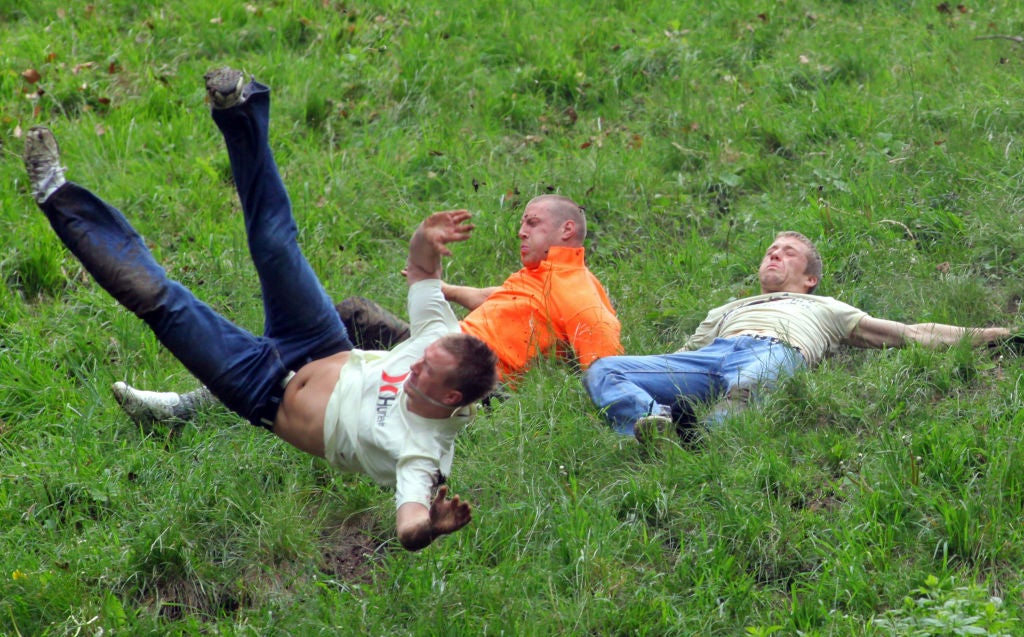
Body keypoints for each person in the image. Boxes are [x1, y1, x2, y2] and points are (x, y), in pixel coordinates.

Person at [22, 67, 499, 551]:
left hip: (262, 389)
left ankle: (56, 196)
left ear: (452, 398)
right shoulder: (443, 341)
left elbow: (408, 525)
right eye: (424, 356)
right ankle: (237, 108)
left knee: (163, 302)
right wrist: (427, 236)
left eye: (426, 372)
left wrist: (431, 528)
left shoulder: (423, 453)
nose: (415, 360)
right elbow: (422, 272)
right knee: (275, 243)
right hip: (319, 343)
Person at [111, 193, 624, 424]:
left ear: (567, 231)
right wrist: (445, 291)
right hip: (443, 342)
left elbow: (609, 365)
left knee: (319, 366)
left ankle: (185, 410)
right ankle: (248, 377)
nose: (521, 228)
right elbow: (502, 300)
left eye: (532, 221)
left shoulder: (576, 291)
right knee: (352, 314)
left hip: (462, 381)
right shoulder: (540, 279)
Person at [584, 231, 1011, 442]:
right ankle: (650, 424)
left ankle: (700, 445)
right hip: (709, 357)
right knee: (604, 368)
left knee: (752, 384)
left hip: (774, 351)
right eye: (771, 249)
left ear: (810, 279)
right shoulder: (727, 309)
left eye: (788, 253)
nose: (774, 254)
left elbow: (911, 334)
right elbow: (683, 354)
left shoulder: (826, 307)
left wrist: (993, 335)